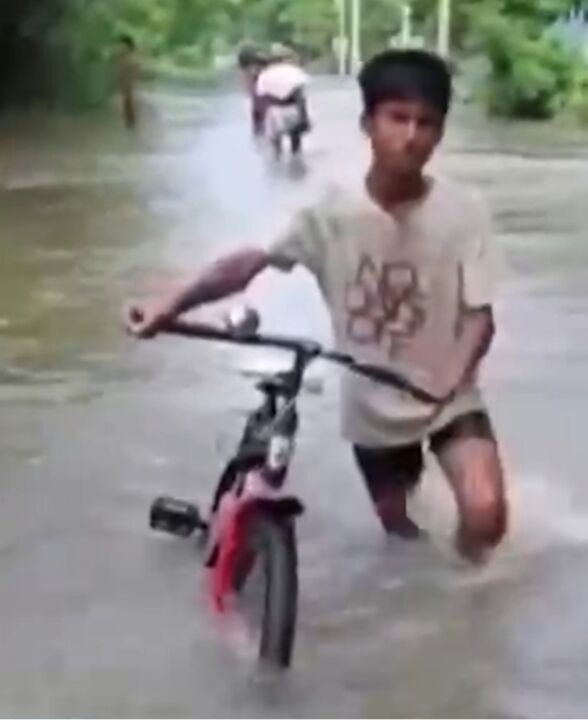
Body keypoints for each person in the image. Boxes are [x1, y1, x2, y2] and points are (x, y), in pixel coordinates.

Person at [124, 49, 508, 565]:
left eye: (427, 123)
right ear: (367, 123)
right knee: (401, 535)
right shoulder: (330, 212)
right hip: (372, 409)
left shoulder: (465, 213)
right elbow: (247, 264)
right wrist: (168, 306)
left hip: (448, 395)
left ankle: (472, 598)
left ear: (439, 133)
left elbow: (480, 319)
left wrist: (448, 381)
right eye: (397, 118)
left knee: (485, 517)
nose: (411, 136)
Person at [254, 45, 312, 155]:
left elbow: (261, 99)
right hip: (292, 109)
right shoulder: (294, 72)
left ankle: (278, 160)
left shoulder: (264, 75)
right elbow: (300, 96)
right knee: (296, 143)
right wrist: (304, 117)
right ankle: (295, 162)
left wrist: (259, 121)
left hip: (273, 111)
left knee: (276, 146)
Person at [115, 35, 141, 130]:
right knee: (126, 103)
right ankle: (130, 123)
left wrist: (131, 81)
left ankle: (131, 123)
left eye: (122, 45)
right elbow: (119, 71)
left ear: (127, 46)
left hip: (129, 84)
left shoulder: (131, 58)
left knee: (129, 102)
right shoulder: (122, 57)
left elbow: (135, 71)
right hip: (125, 84)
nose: (120, 47)